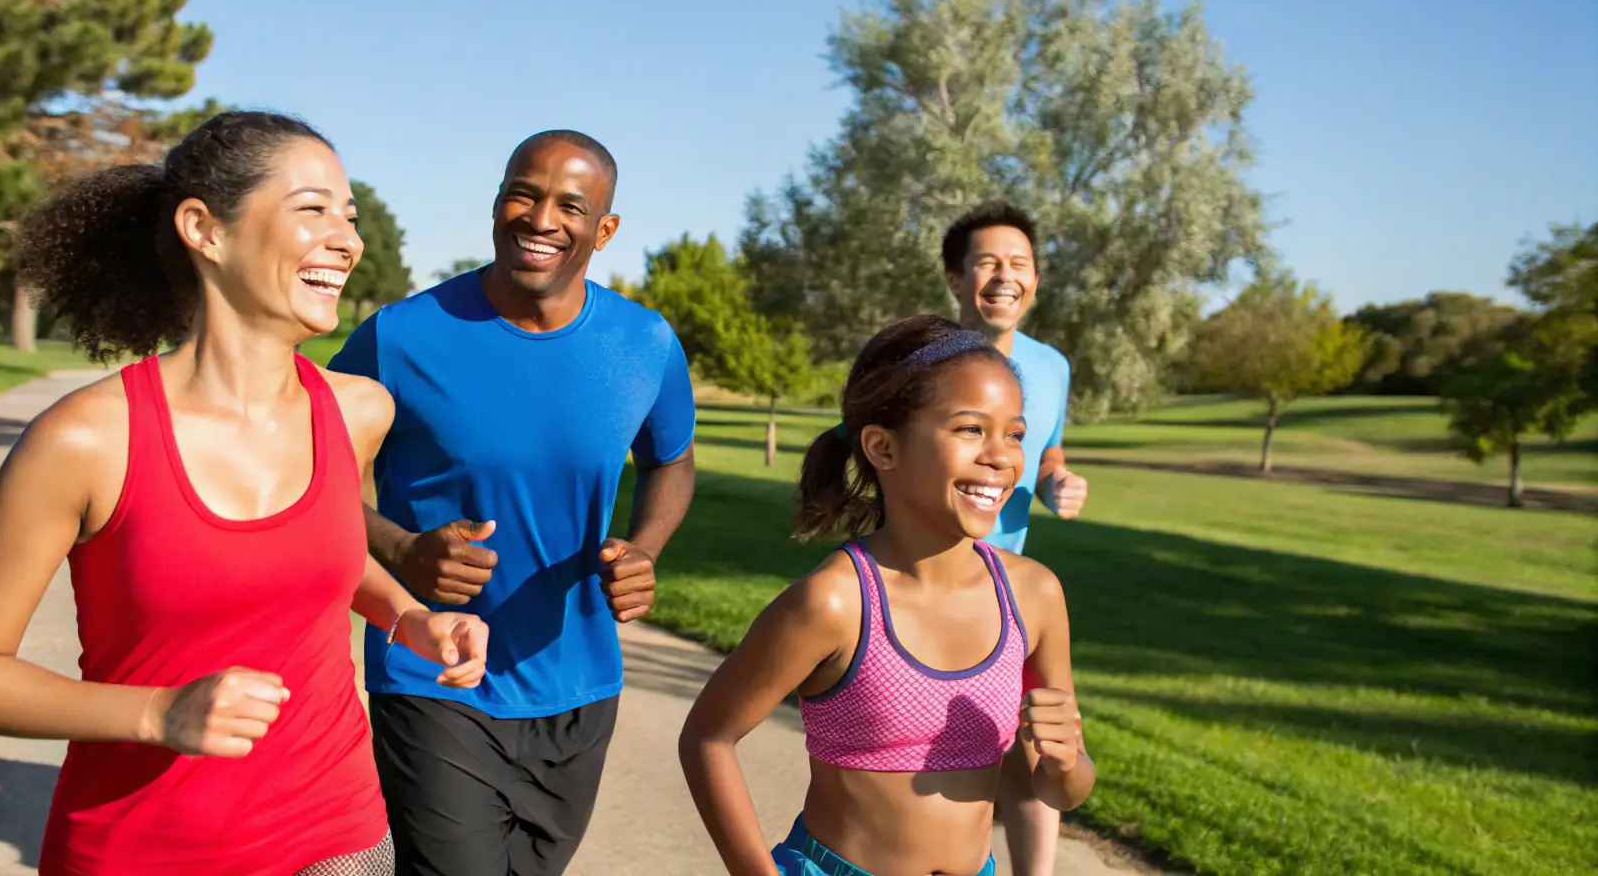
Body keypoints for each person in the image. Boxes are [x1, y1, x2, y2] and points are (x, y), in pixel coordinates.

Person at [0, 111, 489, 876]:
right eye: (314, 209)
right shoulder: (87, 440)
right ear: (204, 230)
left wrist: (410, 617)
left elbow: (325, 550)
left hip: (340, 839)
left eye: (349, 217)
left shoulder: (357, 413)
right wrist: (156, 712)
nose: (348, 240)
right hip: (141, 852)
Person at [327, 129, 698, 876]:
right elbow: (311, 464)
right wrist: (399, 548)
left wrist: (644, 549)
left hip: (580, 681)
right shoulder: (399, 336)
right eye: (523, 195)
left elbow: (671, 459)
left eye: (571, 205)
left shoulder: (645, 343)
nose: (541, 219)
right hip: (431, 672)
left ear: (604, 229)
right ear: (497, 203)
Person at [679, 314, 1094, 876]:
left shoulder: (1034, 595)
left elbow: (1063, 789)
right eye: (970, 429)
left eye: (1015, 434)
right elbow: (708, 737)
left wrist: (1066, 762)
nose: (1002, 457)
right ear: (883, 447)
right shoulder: (835, 603)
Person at [941, 201, 1088, 875]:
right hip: (921, 584)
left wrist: (1056, 482)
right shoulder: (918, 359)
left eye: (1020, 264)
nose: (1006, 277)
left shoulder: (1051, 367)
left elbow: (1048, 452)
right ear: (956, 277)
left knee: (1036, 751)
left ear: (1035, 280)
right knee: (927, 756)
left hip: (1008, 588)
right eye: (988, 262)